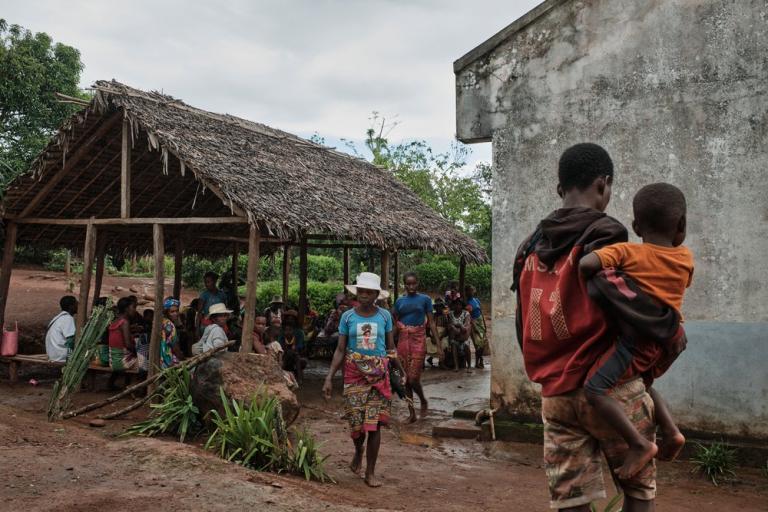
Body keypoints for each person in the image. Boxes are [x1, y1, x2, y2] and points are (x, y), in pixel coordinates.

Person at [512, 143, 686, 511]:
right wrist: (669, 329)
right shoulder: (606, 233)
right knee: (638, 492)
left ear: (561, 190)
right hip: (611, 388)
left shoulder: (529, 246)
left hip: (555, 394)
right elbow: (622, 300)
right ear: (603, 185)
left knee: (571, 500)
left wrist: (546, 368)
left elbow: (521, 317)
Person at [578, 183, 692, 478]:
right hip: (673, 339)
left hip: (636, 342)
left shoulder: (628, 252)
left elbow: (586, 264)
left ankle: (639, 444)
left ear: (635, 225)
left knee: (595, 389)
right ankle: (671, 431)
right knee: (644, 382)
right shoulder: (686, 260)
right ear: (681, 225)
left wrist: (603, 259)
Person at [323, 272, 405, 488]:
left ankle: (370, 472)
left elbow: (390, 347)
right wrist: (329, 377)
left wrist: (400, 370)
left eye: (369, 292)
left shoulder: (385, 316)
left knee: (375, 425)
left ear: (377, 294)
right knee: (356, 425)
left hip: (379, 375)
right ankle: (358, 450)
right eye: (361, 291)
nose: (364, 295)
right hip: (353, 374)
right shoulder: (347, 317)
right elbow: (341, 349)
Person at [393, 271, 441, 422]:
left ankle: (423, 399)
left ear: (418, 283)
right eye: (408, 284)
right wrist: (388, 343)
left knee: (413, 379)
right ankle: (412, 413)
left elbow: (431, 323)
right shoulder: (399, 301)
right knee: (405, 380)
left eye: (414, 283)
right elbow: (394, 322)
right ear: (404, 284)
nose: (411, 286)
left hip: (419, 339)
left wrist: (438, 345)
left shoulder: (425, 299)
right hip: (403, 340)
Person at [108, 297, 143, 388]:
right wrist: (137, 353)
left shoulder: (115, 321)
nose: (135, 310)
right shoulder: (124, 322)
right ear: (127, 309)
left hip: (113, 361)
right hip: (122, 362)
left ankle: (126, 384)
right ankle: (134, 387)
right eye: (134, 307)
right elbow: (128, 344)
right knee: (146, 363)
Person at [45, 296, 78, 362]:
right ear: (71, 306)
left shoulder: (57, 317)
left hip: (53, 354)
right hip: (61, 356)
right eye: (76, 304)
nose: (78, 306)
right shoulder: (68, 318)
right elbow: (70, 341)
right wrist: (70, 359)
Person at [465, 285, 488, 369]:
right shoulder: (466, 302)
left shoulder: (476, 300)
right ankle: (478, 361)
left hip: (480, 322)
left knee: (482, 342)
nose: (471, 292)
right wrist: (474, 326)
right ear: (466, 292)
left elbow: (481, 312)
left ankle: (480, 359)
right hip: (473, 323)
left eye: (472, 290)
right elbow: (469, 316)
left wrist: (484, 324)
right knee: (477, 343)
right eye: (469, 291)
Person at [446, 299, 471, 372]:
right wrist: (459, 326)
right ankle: (456, 366)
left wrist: (457, 326)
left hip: (463, 337)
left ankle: (469, 366)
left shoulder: (466, 313)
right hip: (455, 337)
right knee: (453, 344)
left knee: (466, 345)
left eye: (459, 304)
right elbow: (449, 327)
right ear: (453, 306)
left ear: (462, 306)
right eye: (455, 304)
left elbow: (465, 329)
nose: (457, 306)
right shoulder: (450, 314)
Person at [160, 297, 184, 369]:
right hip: (168, 360)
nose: (175, 314)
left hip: (160, 359)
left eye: (177, 311)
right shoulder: (170, 325)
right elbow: (175, 347)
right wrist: (182, 358)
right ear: (167, 312)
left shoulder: (162, 321)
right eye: (172, 312)